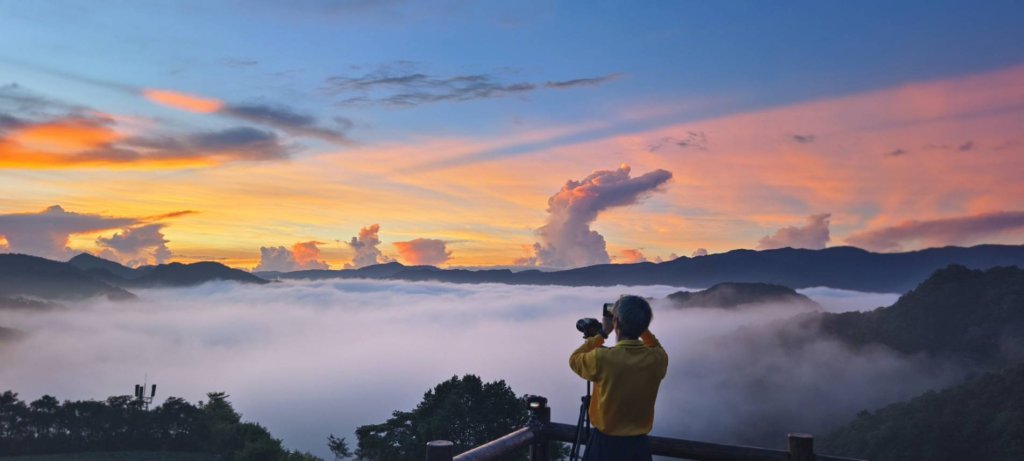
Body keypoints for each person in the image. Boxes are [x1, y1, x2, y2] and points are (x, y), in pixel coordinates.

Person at [569, 295, 668, 461]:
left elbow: (575, 359)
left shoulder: (602, 358)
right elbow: (654, 345)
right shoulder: (657, 359)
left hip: (605, 446)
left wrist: (602, 333)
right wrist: (640, 326)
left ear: (616, 324)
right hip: (639, 447)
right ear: (645, 325)